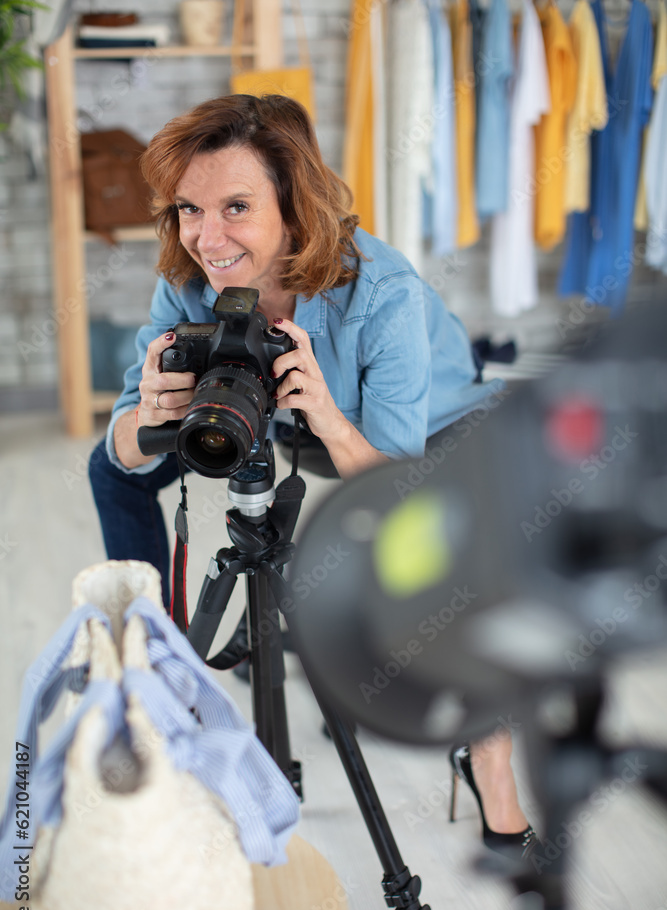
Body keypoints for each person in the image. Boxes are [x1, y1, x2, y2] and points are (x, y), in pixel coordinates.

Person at [89, 93, 536, 857]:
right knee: (110, 472)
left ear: (292, 207)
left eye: (236, 207)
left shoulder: (382, 291)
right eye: (190, 209)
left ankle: (487, 758)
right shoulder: (188, 280)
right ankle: (154, 664)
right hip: (288, 421)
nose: (207, 237)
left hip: (426, 430)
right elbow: (123, 449)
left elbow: (392, 481)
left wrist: (327, 415)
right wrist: (147, 417)